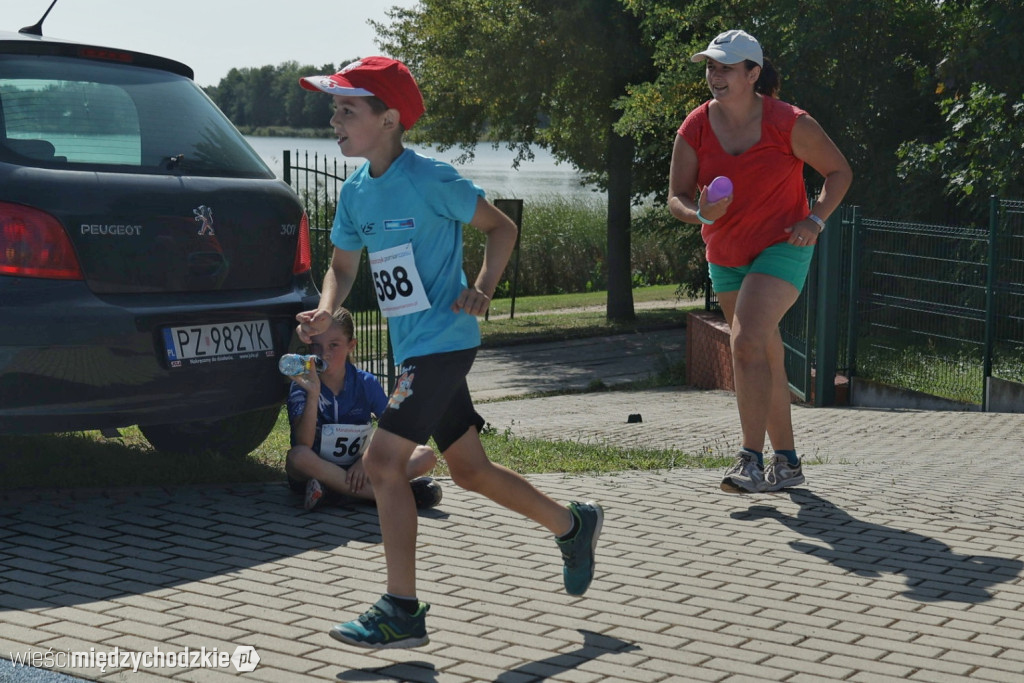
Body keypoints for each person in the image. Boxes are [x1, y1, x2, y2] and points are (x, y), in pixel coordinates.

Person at [295, 56, 603, 649]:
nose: (334, 119)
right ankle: (572, 525)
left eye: (346, 109)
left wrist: (483, 288)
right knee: (469, 471)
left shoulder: (433, 179)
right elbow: (340, 266)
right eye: (333, 108)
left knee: (384, 464)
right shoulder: (356, 192)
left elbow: (501, 228)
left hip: (444, 344)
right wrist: (330, 308)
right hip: (413, 350)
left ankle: (401, 609)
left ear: (387, 119)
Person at [668, 30, 852, 494]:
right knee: (761, 352)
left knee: (746, 339)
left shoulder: (789, 123)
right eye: (711, 67)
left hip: (783, 246)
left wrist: (815, 219)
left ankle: (749, 459)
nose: (715, 76)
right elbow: (676, 196)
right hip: (726, 253)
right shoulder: (696, 126)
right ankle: (787, 463)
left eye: (726, 68)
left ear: (753, 73)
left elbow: (839, 171)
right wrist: (698, 214)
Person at [284, 306, 442, 512]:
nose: (325, 354)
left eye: (334, 345)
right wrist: (313, 393)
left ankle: (334, 494)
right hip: (317, 470)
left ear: (351, 345)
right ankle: (388, 496)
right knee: (298, 457)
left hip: (358, 468)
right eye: (317, 346)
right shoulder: (301, 385)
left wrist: (367, 460)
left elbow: (392, 428)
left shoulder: (366, 382)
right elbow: (303, 443)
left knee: (425, 455)